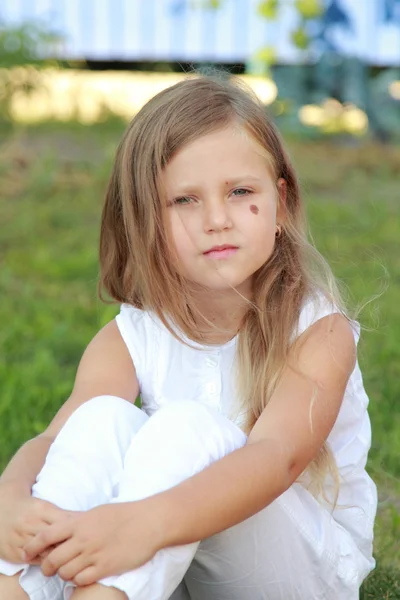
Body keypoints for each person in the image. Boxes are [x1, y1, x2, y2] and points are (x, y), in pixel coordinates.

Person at [0, 74, 377, 600]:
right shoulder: (129, 337)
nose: (217, 220)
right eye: (184, 200)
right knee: (100, 420)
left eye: (240, 192)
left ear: (281, 205)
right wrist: (12, 497)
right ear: (145, 220)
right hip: (174, 569)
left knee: (182, 429)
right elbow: (55, 443)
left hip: (297, 570)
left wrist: (144, 524)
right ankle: (15, 586)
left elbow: (277, 458)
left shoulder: (318, 331)